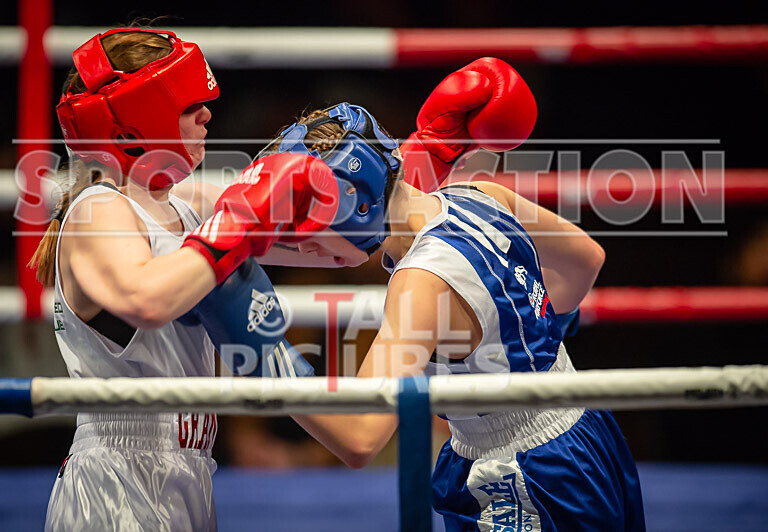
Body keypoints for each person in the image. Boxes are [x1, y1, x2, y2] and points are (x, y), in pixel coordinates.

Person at [266, 59, 645, 530]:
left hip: (522, 474)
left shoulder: (419, 283)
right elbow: (586, 261)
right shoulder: (481, 194)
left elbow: (361, 435)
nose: (301, 246)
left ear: (357, 209)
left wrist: (262, 345)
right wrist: (519, 343)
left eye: (308, 228)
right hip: (585, 432)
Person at [30, 27, 336, 531]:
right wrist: (242, 220)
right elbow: (147, 298)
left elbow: (322, 246)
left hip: (190, 466)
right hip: (118, 478)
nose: (207, 115)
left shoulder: (183, 205)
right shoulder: (99, 208)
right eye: (189, 105)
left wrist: (382, 183)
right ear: (139, 116)